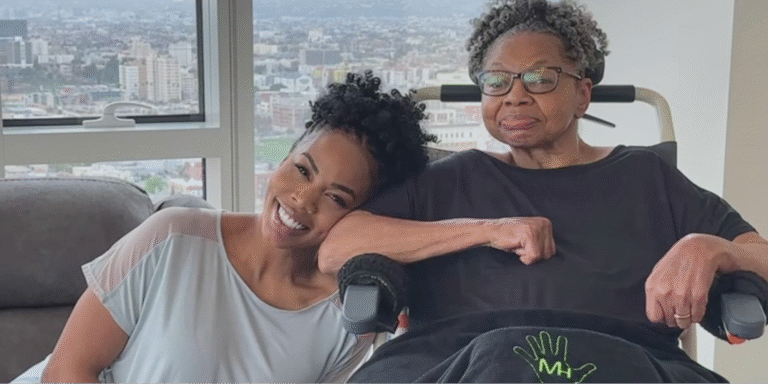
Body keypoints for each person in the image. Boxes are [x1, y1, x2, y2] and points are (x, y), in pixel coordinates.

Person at [317, 1, 768, 382]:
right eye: (497, 81)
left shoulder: (648, 178)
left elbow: (759, 254)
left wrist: (709, 248)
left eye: (539, 78)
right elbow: (336, 248)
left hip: (624, 359)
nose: (514, 96)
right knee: (500, 356)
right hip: (453, 360)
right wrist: (486, 230)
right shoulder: (446, 178)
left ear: (583, 95)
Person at [13, 71, 437, 383]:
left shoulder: (345, 319)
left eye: (337, 198)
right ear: (286, 156)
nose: (302, 199)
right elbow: (67, 370)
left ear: (361, 214)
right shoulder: (173, 239)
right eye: (302, 170)